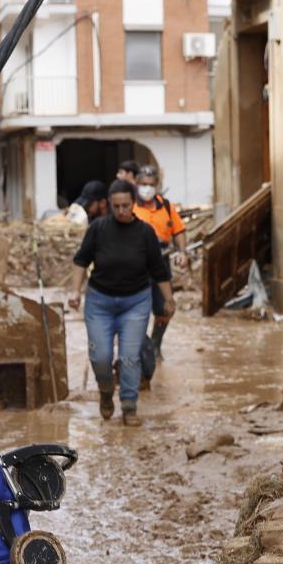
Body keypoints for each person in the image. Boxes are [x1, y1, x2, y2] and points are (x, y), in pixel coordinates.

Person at [67, 180, 171, 427]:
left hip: (135, 302)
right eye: (117, 206)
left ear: (133, 204)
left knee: (129, 357)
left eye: (126, 205)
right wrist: (74, 292)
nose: (122, 211)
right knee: (100, 355)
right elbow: (81, 261)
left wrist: (169, 299)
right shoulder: (99, 229)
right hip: (100, 303)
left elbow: (159, 270)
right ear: (110, 206)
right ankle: (105, 391)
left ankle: (129, 405)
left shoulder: (145, 232)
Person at [131, 166, 184, 387]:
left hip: (160, 261)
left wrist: (182, 251)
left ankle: (155, 343)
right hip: (136, 263)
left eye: (151, 184)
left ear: (157, 185)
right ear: (137, 183)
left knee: (164, 308)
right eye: (143, 184)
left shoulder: (167, 206)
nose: (147, 188)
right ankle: (139, 348)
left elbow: (179, 231)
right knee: (136, 307)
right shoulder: (130, 206)